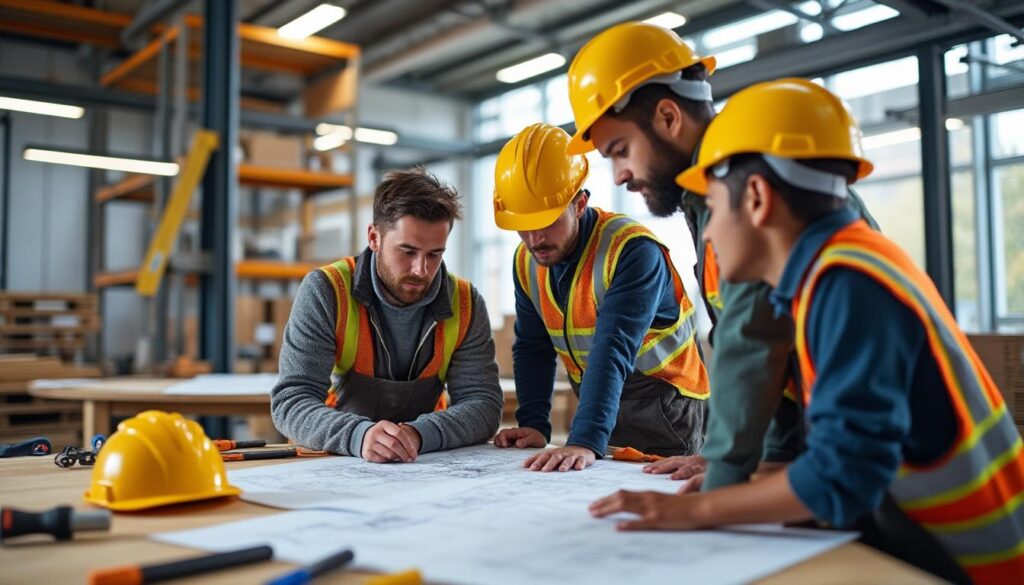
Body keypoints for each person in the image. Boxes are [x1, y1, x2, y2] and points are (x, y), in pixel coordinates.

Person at [589, 78, 1024, 585]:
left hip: (968, 564)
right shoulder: (834, 274)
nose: (706, 232)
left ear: (755, 197)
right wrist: (755, 475)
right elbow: (853, 455)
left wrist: (697, 511)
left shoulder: (849, 284)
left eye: (712, 206)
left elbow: (842, 481)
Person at [566, 21, 878, 490]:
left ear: (669, 118)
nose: (619, 176)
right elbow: (769, 341)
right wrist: (756, 458)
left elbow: (753, 337)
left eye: (620, 150)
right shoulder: (709, 196)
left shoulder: (750, 187)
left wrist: (727, 468)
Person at [492, 123, 708, 472]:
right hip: (602, 397)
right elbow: (533, 346)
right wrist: (534, 424)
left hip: (664, 404)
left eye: (546, 222)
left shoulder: (632, 250)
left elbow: (613, 346)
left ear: (579, 204)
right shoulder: (527, 261)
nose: (534, 239)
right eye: (523, 224)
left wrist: (584, 439)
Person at [272, 167, 503, 463]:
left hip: (428, 460)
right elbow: (291, 402)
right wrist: (359, 435)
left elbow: (483, 405)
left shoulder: (466, 303)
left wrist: (419, 434)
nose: (421, 270)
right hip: (339, 457)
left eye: (435, 254)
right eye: (407, 251)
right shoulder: (327, 291)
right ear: (374, 237)